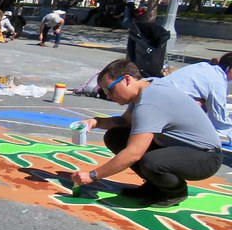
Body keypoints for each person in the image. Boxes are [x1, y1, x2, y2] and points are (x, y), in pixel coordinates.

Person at [72, 59, 223, 207]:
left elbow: (134, 154)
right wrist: (96, 121)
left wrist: (92, 175)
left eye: (109, 90)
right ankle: (155, 185)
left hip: (206, 157)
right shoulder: (148, 85)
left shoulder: (150, 102)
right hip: (182, 148)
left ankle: (175, 191)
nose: (108, 96)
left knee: (151, 162)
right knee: (116, 136)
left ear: (126, 79)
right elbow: (125, 121)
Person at [152, 53, 232, 145]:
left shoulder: (204, 66)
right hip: (163, 108)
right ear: (229, 69)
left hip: (156, 95)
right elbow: (220, 119)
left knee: (200, 105)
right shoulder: (217, 81)